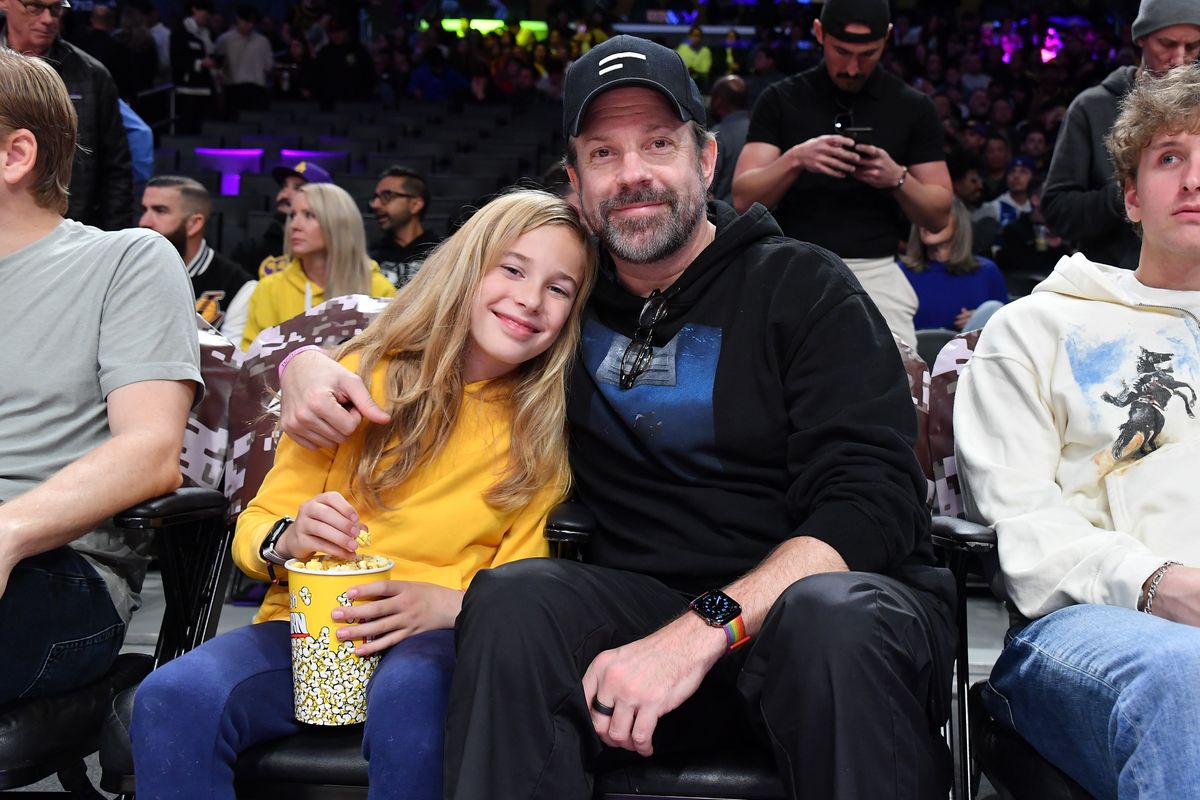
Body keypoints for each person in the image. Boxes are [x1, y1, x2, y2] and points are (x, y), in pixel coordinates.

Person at [279, 34, 956, 799]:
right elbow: (423, 327)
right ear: (575, 184)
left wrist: (702, 629)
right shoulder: (562, 298)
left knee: (834, 620)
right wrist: (302, 367)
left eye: (657, 144)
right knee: (516, 600)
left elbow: (871, 506)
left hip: (814, 620)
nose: (632, 173)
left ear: (705, 161)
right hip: (638, 619)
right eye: (603, 154)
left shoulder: (805, 287)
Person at [131, 189, 597, 799]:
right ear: (467, 268)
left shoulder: (544, 430)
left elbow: (524, 594)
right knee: (172, 696)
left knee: (412, 699)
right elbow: (258, 523)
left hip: (443, 640)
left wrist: (445, 606)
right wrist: (287, 536)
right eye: (511, 269)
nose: (530, 299)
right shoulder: (357, 374)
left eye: (559, 289)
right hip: (311, 633)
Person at [955, 61, 1200, 799]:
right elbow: (1026, 525)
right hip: (1094, 629)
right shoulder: (1037, 328)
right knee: (1182, 677)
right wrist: (1159, 583)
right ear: (1129, 195)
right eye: (1170, 158)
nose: (1194, 181)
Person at [0, 49, 200, 703]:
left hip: (56, 572)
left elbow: (150, 453)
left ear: (14, 155)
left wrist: (7, 531)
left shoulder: (125, 260)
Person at [732, 0, 952, 349]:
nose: (852, 67)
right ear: (819, 33)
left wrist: (897, 178)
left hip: (876, 270)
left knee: (898, 392)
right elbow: (743, 197)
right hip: (791, 265)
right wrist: (796, 159)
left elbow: (940, 214)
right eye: (842, 51)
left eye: (868, 54)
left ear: (888, 39)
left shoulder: (912, 107)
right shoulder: (782, 99)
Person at [1042, 0, 1200, 270]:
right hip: (1112, 285)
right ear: (1140, 38)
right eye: (1168, 44)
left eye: (1193, 46)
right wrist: (1135, 190)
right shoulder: (1091, 107)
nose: (1180, 59)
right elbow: (1058, 211)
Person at [0, 0, 132, 230]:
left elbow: (116, 168)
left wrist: (114, 241)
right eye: (35, 7)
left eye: (56, 9)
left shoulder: (92, 75)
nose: (48, 19)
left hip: (70, 230)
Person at [242, 183, 396, 350]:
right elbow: (252, 359)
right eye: (292, 215)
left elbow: (388, 361)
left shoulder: (379, 290)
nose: (294, 225)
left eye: (309, 215)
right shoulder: (269, 288)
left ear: (339, 224)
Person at [138, 175, 256, 339]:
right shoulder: (126, 270)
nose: (144, 222)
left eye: (160, 211)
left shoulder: (238, 286)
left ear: (194, 224)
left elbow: (231, 361)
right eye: (144, 210)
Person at [900, 198, 1007, 332]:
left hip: (969, 351)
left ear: (958, 224)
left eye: (938, 216)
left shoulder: (986, 271)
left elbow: (1006, 329)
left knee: (993, 308)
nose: (929, 222)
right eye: (924, 216)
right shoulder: (900, 273)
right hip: (911, 351)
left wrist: (983, 320)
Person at [233, 159, 333, 276]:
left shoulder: (339, 262)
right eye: (285, 186)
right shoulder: (249, 251)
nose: (285, 194)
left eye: (299, 188)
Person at [369, 166, 442, 288]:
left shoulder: (441, 252)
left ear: (415, 205)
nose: (375, 205)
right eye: (375, 197)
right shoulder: (371, 254)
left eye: (387, 196)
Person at [214, 3, 274, 116]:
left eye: (252, 22)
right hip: (233, 90)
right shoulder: (224, 40)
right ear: (238, 19)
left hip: (257, 90)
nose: (249, 25)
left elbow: (269, 67)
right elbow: (217, 67)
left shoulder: (263, 41)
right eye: (246, 21)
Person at [170, 0, 218, 135]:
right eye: (205, 14)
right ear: (194, 9)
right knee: (187, 127)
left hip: (206, 88)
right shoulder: (180, 32)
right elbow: (177, 59)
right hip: (187, 90)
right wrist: (199, 63)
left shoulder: (208, 34)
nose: (207, 18)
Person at [709, 74, 749, 205]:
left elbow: (707, 185)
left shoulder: (719, 134)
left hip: (726, 216)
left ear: (718, 100)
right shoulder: (763, 128)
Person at [973, 155, 1035, 229]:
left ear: (1032, 177)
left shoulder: (1036, 207)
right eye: (1012, 172)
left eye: (1023, 172)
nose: (1016, 176)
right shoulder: (994, 207)